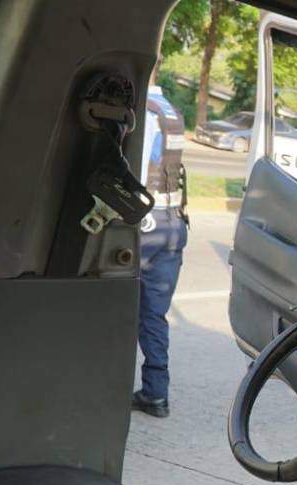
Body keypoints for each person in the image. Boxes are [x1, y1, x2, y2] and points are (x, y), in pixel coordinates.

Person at [131, 84, 189, 418]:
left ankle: (102, 386)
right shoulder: (170, 110)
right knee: (154, 314)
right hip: (172, 223)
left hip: (145, 223)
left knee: (115, 307)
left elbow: (136, 173)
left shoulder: (143, 111)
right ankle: (156, 394)